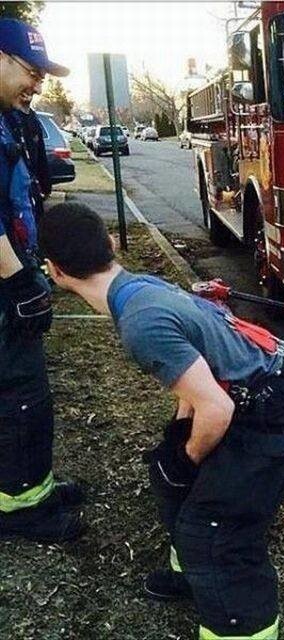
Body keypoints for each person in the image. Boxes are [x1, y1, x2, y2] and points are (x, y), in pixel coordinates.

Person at [39, 202, 284, 640]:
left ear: (53, 270)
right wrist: (178, 443)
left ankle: (238, 622)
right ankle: (192, 575)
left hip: (275, 406)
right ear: (111, 245)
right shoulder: (137, 287)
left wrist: (189, 456)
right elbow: (198, 381)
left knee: (216, 534)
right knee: (169, 475)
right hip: (253, 389)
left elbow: (217, 409)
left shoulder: (140, 322)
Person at [0, 18, 84, 542]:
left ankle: (34, 486)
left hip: (13, 270)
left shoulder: (12, 120)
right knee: (21, 394)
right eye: (32, 71)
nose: (38, 84)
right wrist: (19, 285)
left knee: (22, 392)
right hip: (4, 282)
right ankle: (22, 510)